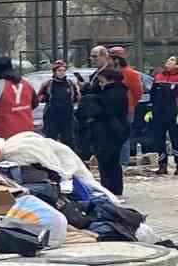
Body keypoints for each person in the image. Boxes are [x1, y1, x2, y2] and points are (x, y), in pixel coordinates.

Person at [81, 49, 131, 195]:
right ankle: (109, 188)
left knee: (110, 161)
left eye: (95, 56)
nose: (92, 59)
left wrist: (92, 103)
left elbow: (106, 109)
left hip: (112, 129)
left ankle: (113, 189)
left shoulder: (114, 89)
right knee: (105, 161)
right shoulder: (101, 81)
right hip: (104, 129)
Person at [111, 47, 145, 165]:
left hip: (126, 110)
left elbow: (138, 92)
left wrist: (131, 104)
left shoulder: (130, 73)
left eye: (115, 58)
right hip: (112, 109)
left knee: (124, 136)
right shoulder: (109, 72)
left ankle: (123, 162)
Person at [37, 61, 80, 150]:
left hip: (67, 118)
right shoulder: (48, 84)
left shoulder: (70, 83)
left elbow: (76, 98)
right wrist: (45, 97)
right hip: (51, 118)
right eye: (59, 71)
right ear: (54, 72)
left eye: (63, 71)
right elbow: (39, 97)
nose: (62, 73)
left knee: (69, 141)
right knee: (50, 141)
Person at [151, 58, 178, 175]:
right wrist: (150, 109)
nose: (168, 62)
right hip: (158, 113)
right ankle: (162, 165)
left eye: (172, 60)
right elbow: (153, 94)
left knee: (176, 140)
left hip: (174, 113)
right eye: (167, 60)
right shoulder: (158, 76)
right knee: (159, 140)